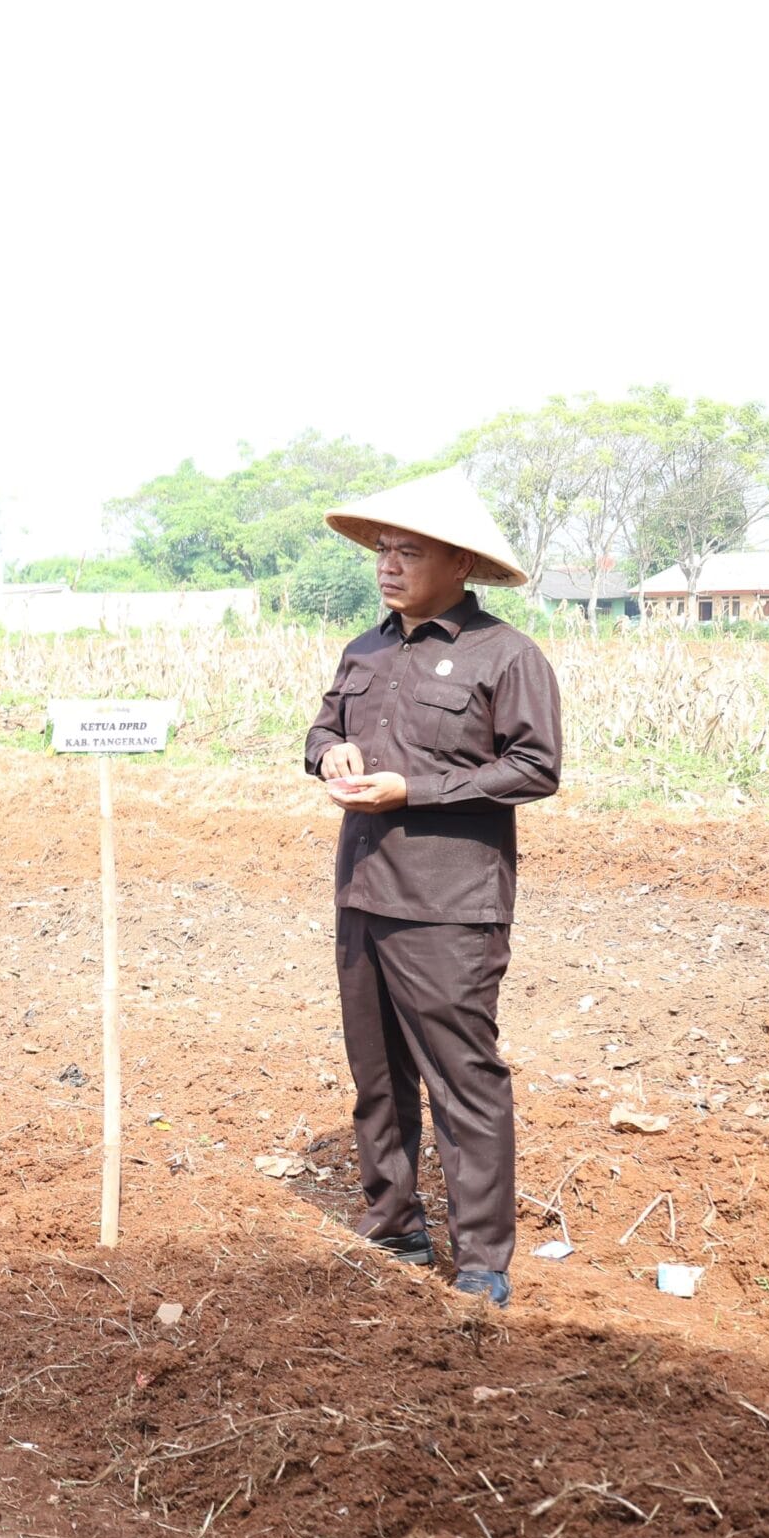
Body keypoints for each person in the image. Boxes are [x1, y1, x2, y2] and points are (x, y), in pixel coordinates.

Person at [304, 468, 561, 1308]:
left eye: (408, 550)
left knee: (463, 1077)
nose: (388, 563)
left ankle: (482, 1260)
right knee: (376, 1077)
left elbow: (534, 767)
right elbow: (323, 730)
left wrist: (411, 790)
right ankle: (395, 1226)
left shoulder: (507, 655)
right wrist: (330, 755)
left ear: (459, 563)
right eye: (382, 549)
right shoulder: (364, 649)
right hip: (363, 891)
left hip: (451, 906)